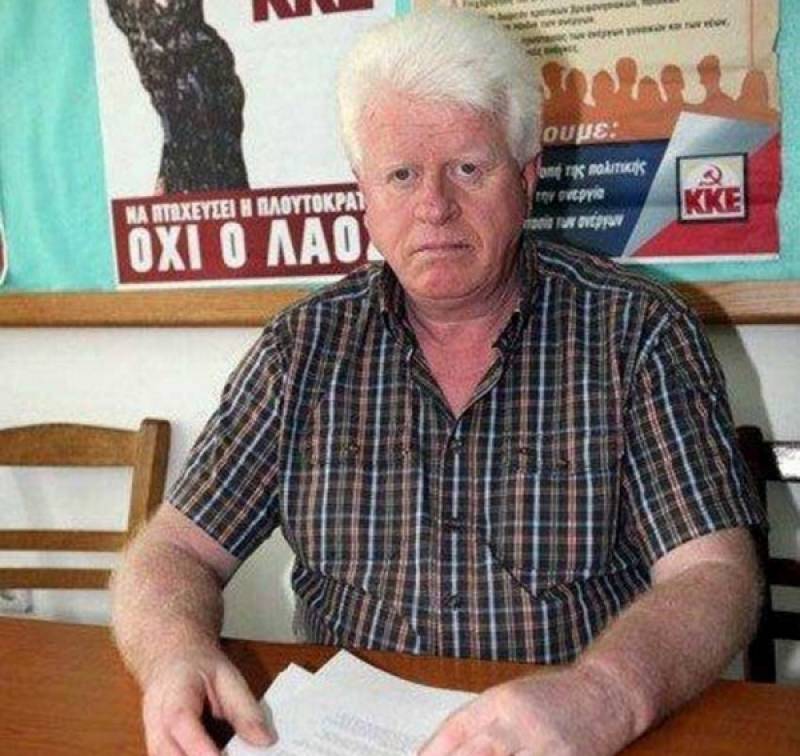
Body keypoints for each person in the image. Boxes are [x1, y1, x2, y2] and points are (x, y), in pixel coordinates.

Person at [111, 9, 765, 755]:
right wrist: (174, 654)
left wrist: (605, 695)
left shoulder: (638, 333)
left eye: (467, 169)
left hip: (567, 735)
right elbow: (174, 552)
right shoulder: (301, 350)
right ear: (364, 192)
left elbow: (716, 576)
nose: (434, 207)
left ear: (526, 178)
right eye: (401, 175)